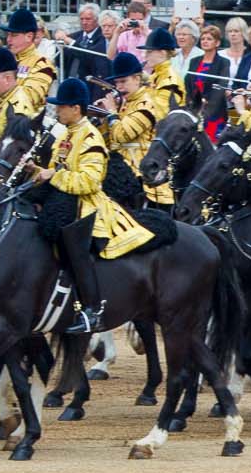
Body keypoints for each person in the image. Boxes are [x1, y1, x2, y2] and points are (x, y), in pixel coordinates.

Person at [17, 77, 155, 335]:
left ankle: (93, 310)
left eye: (61, 106)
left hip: (87, 206)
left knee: (75, 246)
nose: (57, 110)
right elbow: (61, 168)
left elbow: (89, 181)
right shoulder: (67, 134)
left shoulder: (90, 137)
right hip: (64, 197)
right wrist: (39, 171)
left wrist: (52, 176)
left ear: (76, 109)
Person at [103, 51, 175, 207]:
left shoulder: (146, 104)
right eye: (117, 83)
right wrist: (101, 116)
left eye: (123, 81)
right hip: (120, 171)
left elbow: (122, 135)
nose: (119, 87)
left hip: (142, 176)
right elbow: (108, 140)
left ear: (137, 78)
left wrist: (111, 114)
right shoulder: (125, 103)